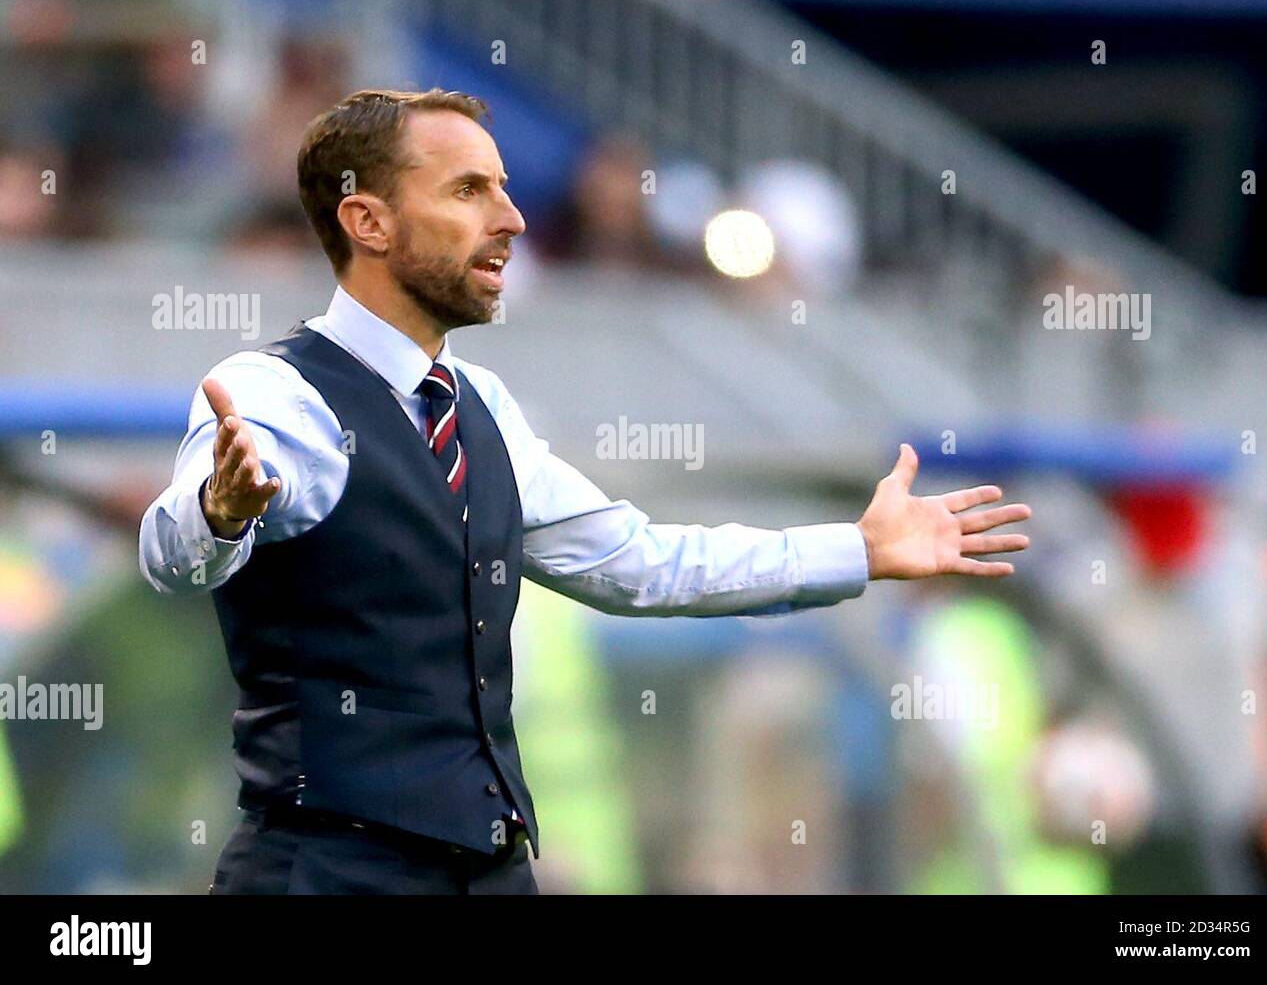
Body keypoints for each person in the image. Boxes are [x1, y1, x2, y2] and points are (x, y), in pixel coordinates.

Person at [137, 88, 1031, 895]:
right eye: (468, 192)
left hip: (487, 870)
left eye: (504, 187)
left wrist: (860, 551)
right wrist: (218, 516)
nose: (514, 219)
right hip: (327, 873)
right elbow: (169, 555)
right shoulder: (270, 392)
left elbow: (642, 563)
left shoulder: (480, 406)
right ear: (367, 221)